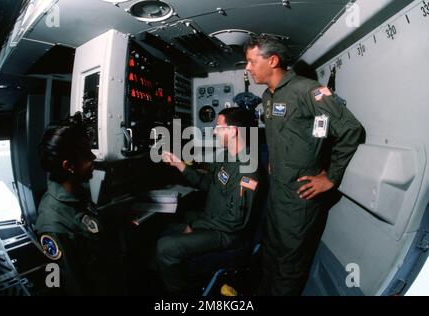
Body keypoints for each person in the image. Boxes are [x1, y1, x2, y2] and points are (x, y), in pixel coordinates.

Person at [244, 34, 365, 295]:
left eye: (252, 61)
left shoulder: (307, 90)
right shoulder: (267, 96)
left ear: (273, 60)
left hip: (300, 197)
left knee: (289, 264)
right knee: (271, 252)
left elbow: (351, 130)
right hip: (277, 192)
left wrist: (330, 178)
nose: (248, 67)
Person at [156, 107, 261, 294]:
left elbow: (235, 220)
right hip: (213, 221)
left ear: (233, 131)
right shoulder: (226, 156)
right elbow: (208, 184)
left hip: (227, 234)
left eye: (219, 127)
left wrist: (196, 226)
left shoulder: (247, 169)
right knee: (167, 229)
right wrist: (179, 164)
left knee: (165, 247)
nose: (214, 131)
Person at [34, 120, 123, 295]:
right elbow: (73, 286)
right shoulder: (53, 225)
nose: (93, 157)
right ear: (68, 166)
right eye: (86, 154)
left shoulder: (77, 190)